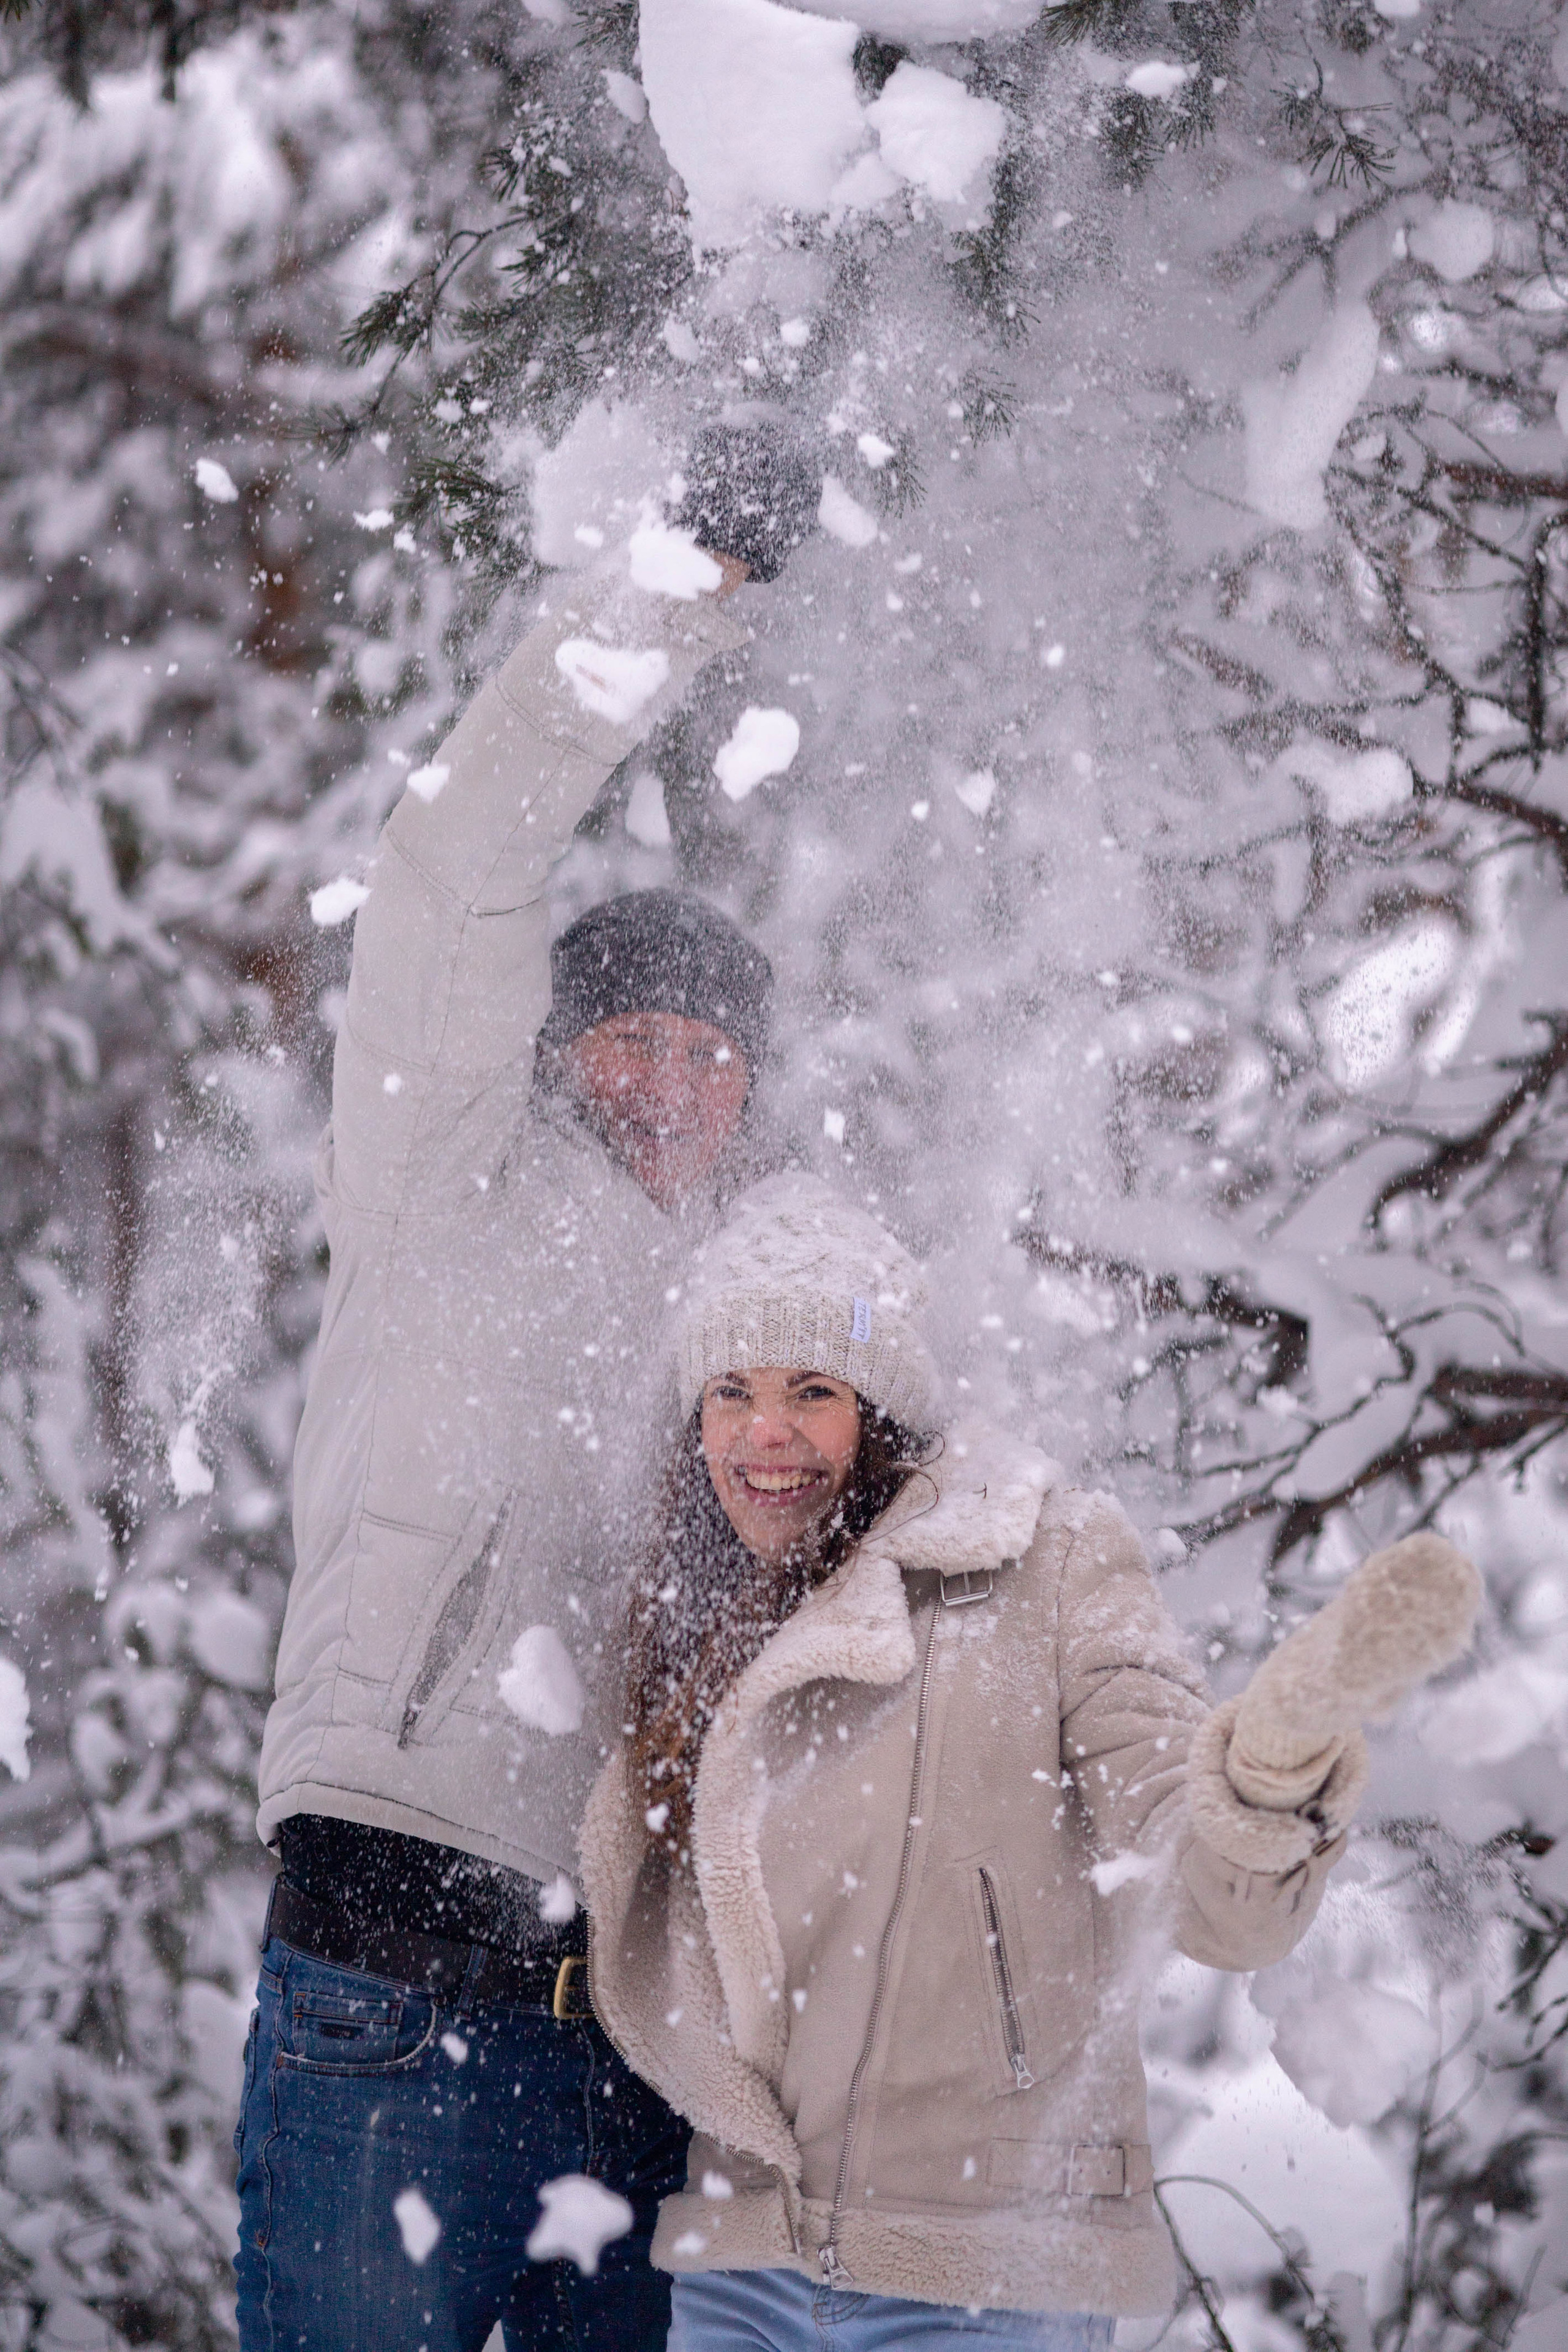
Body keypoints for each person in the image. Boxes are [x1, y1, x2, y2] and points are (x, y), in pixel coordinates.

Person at [236, 433, 819, 2351]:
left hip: (641, 2057)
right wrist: (678, 588)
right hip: (392, 1969)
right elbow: (457, 861)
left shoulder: (752, 1326)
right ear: (557, 1052)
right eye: (632, 1035)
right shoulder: (442, 1186)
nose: (672, 1079)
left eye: (713, 1052)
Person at [579, 1174, 1482, 2352]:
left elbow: (1199, 1874)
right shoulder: (693, 1617)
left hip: (985, 2264)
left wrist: (1267, 1770)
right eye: (731, 1391)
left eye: (814, 1389)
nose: (767, 1432)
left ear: (884, 1406)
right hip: (744, 2258)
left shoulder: (1047, 1557)